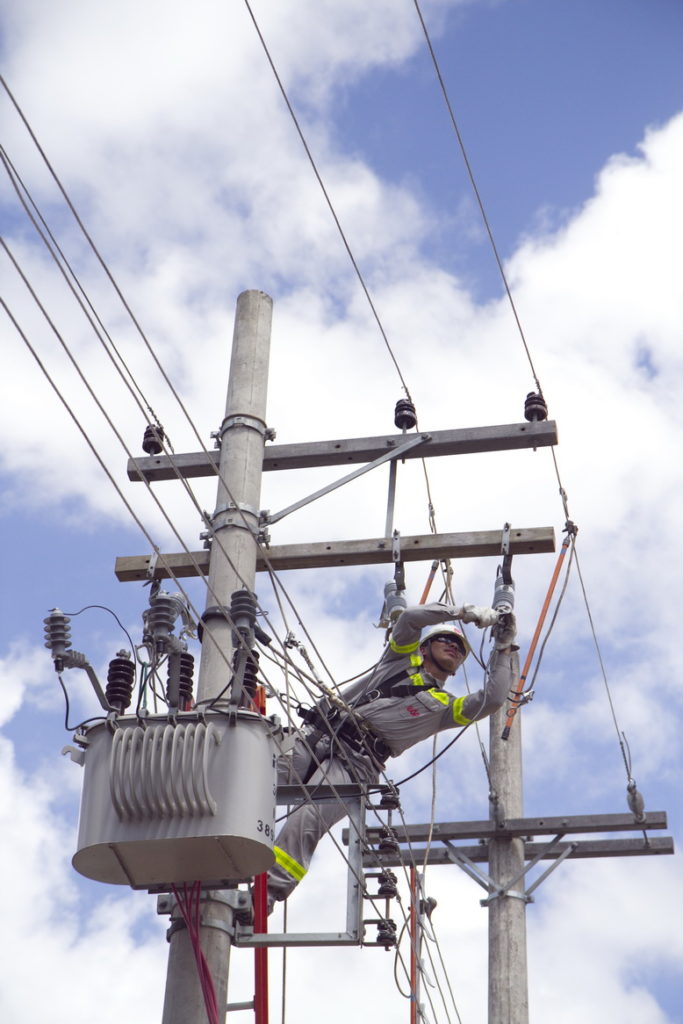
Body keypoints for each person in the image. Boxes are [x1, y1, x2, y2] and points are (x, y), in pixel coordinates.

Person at [267, 600, 518, 908]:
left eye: (460, 648)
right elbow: (410, 618)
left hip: (356, 764)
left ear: (456, 671)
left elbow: (493, 699)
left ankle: (266, 894)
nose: (454, 646)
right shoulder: (398, 660)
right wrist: (462, 613)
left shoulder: (446, 708)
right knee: (257, 785)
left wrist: (503, 648)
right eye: (445, 639)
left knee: (307, 820)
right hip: (318, 736)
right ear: (423, 648)